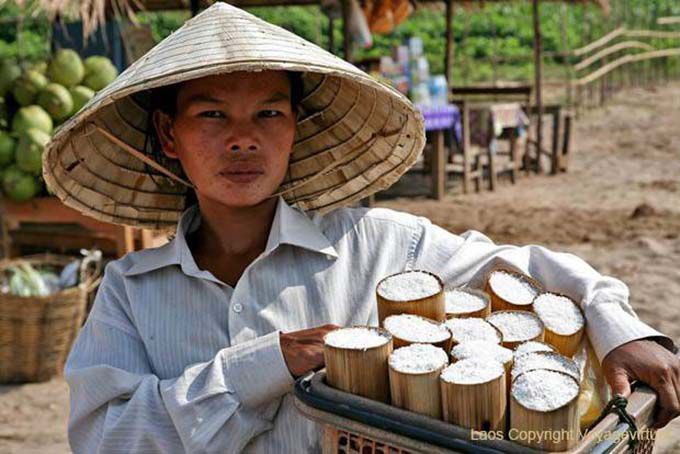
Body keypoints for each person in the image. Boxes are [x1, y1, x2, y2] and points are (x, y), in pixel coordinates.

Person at [44, 3, 679, 453]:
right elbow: (107, 439)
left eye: (269, 113)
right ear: (169, 136)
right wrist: (270, 363)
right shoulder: (130, 291)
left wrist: (619, 327)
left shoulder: (377, 246)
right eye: (212, 115)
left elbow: (521, 264)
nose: (242, 139)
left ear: (296, 129)